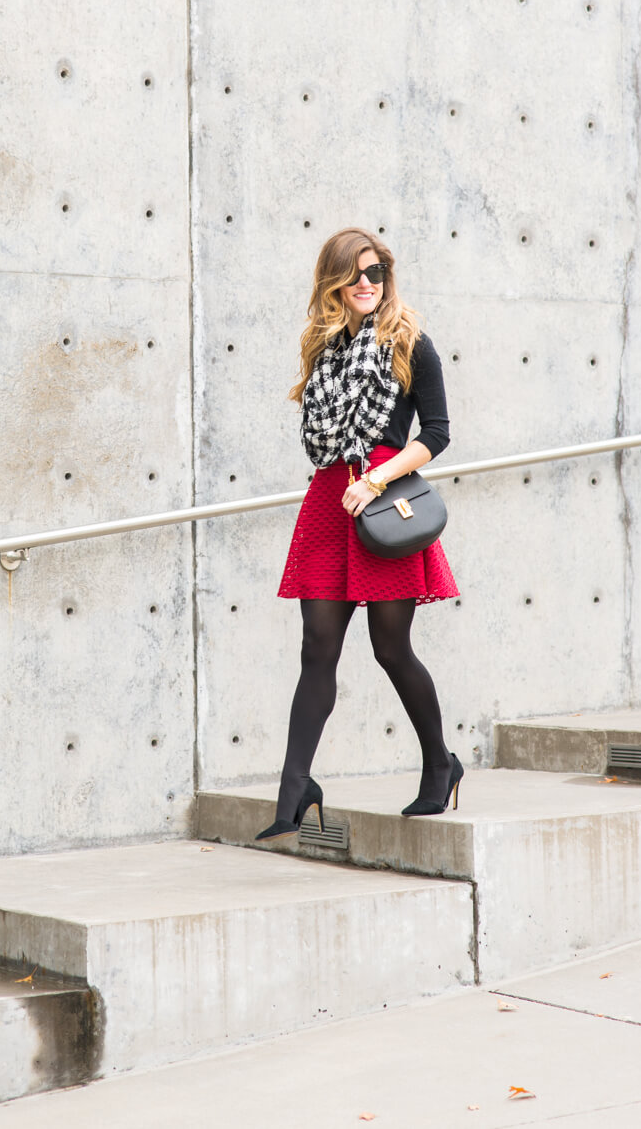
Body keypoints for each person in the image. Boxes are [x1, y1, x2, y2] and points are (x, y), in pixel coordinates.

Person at [257, 226, 461, 839]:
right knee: (317, 646)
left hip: (382, 502)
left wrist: (373, 481)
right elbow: (320, 437)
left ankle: (439, 763)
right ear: (335, 284)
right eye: (356, 275)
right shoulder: (323, 351)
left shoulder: (411, 342)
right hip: (328, 500)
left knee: (390, 648)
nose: (368, 284)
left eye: (376, 273)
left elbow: (437, 433)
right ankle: (294, 789)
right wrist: (349, 482)